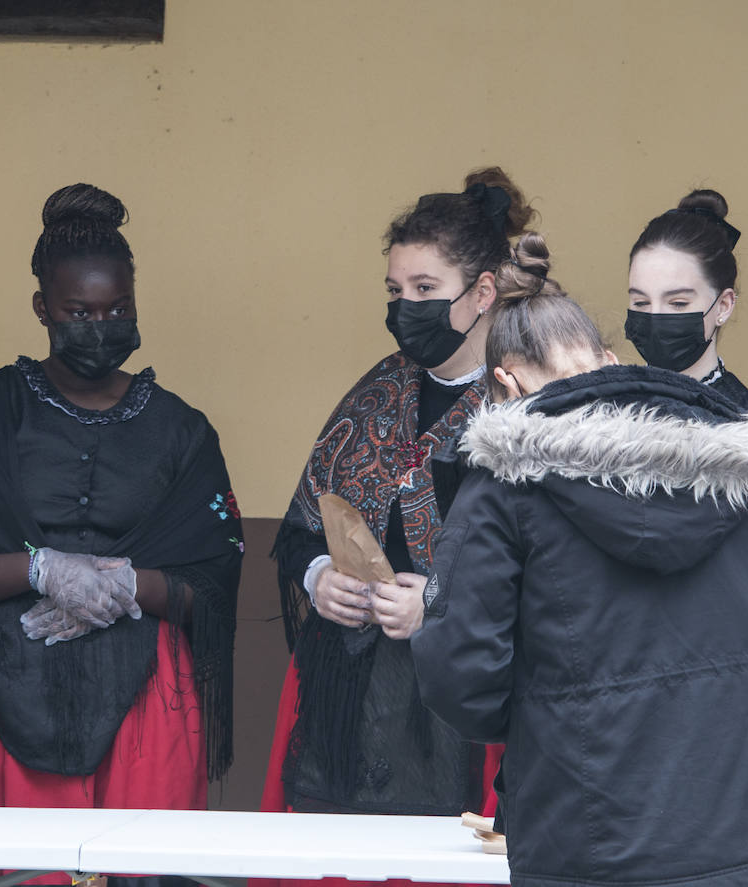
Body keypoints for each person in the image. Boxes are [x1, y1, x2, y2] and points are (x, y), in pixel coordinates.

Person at [412, 233, 748, 887]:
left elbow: (460, 677)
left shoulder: (503, 488)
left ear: (503, 383)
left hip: (590, 835)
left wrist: (556, 717)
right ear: (609, 361)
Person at [0, 184, 242, 887]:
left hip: (147, 700)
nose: (100, 325)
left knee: (143, 874)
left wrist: (127, 584)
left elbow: (215, 583)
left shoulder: (181, 431)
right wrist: (40, 567)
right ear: (42, 308)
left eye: (118, 309)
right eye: (80, 311)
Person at [257, 168, 533, 887]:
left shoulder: (522, 408)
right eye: (394, 290)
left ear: (481, 293)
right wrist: (319, 579)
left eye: (423, 290)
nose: (404, 307)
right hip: (344, 706)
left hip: (458, 712)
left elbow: (549, 569)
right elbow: (299, 526)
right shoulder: (376, 389)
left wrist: (435, 605)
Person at [626, 189, 748, 739]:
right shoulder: (599, 422)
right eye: (640, 303)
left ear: (724, 306)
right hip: (622, 714)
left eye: (677, 302)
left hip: (733, 720)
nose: (655, 319)